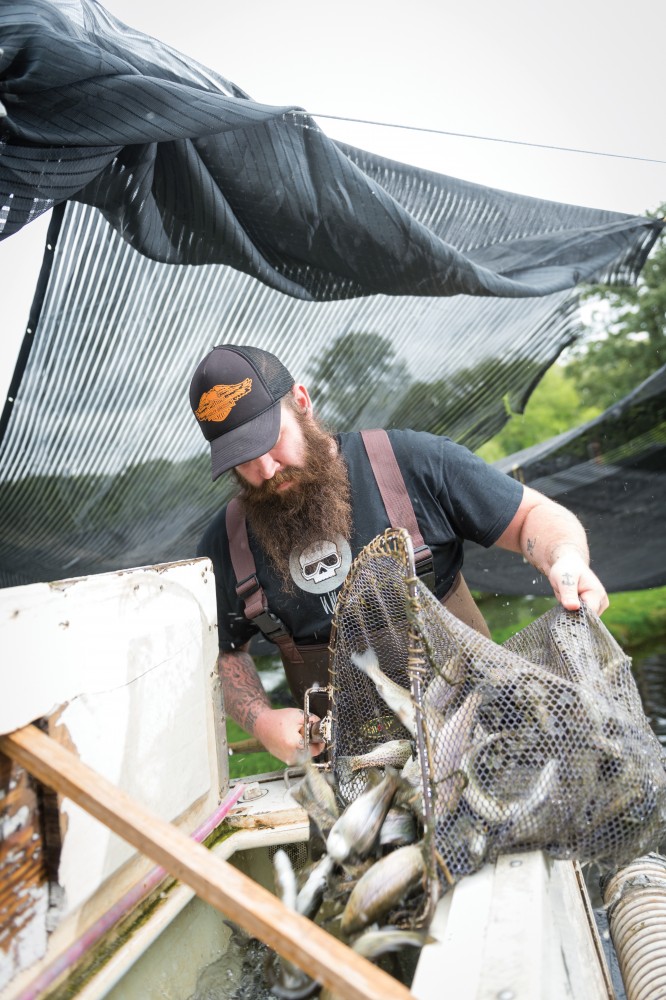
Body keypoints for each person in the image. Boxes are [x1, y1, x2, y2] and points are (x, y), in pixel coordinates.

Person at [190, 344, 609, 765]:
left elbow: (532, 517)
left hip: (486, 741)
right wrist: (261, 720)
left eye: (272, 441)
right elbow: (225, 652)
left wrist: (565, 556)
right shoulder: (226, 542)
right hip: (350, 773)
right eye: (243, 459)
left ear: (302, 403)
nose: (265, 470)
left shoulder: (409, 463)